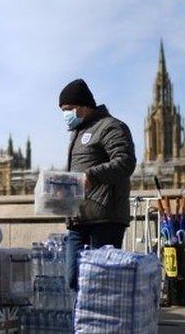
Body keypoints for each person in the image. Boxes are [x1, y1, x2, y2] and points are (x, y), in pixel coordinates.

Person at [59, 78, 136, 291]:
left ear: (84, 107)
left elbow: (126, 161)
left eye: (68, 109)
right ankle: (81, 324)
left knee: (100, 283)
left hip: (105, 218)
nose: (65, 115)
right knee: (73, 280)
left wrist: (92, 176)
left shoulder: (111, 126)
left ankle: (99, 325)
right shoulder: (78, 132)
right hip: (78, 219)